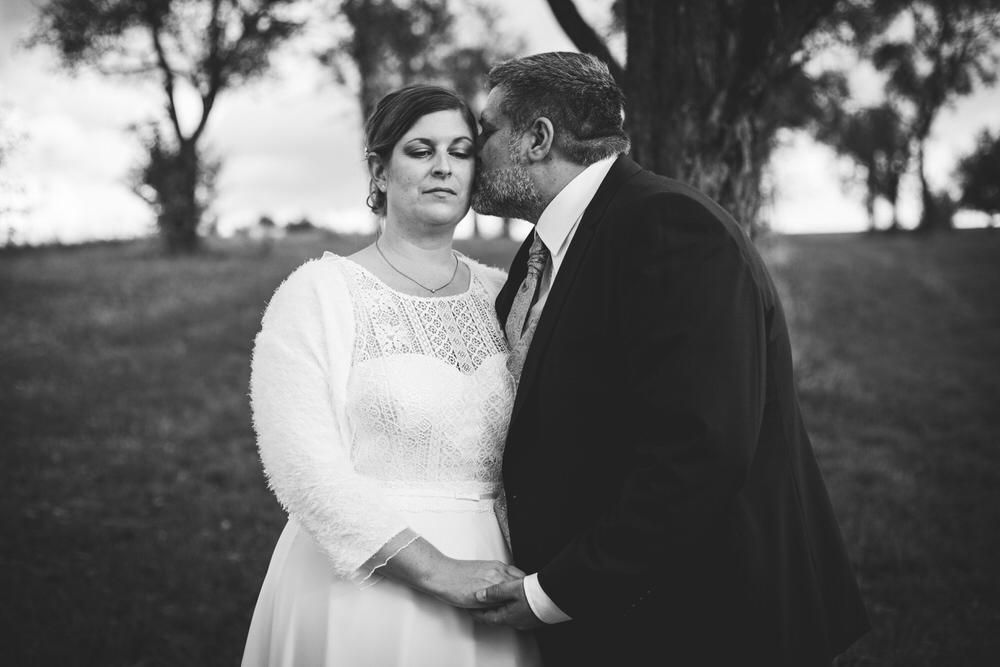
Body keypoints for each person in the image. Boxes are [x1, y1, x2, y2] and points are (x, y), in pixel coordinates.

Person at [469, 52, 870, 666]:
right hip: (615, 618)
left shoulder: (670, 229)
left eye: (486, 129)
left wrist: (555, 592)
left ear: (537, 138)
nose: (473, 151)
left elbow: (698, 454)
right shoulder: (540, 253)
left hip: (708, 621)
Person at [241, 85, 541, 667]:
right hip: (359, 588)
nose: (443, 167)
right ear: (379, 171)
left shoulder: (504, 295)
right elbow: (301, 467)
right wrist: (439, 572)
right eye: (420, 150)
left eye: (460, 151)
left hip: (495, 588)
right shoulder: (319, 293)